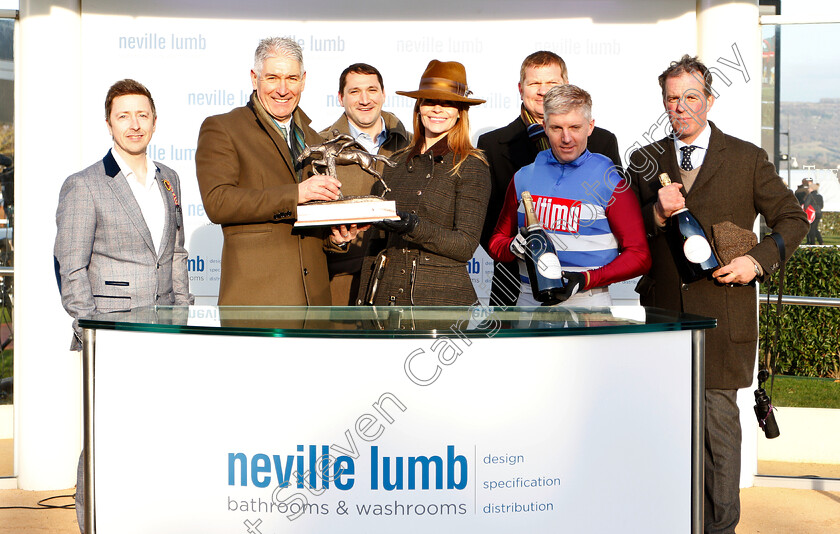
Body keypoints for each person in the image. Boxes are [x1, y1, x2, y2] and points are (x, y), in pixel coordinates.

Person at [628, 55, 809, 534]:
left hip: (723, 319)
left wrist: (756, 261)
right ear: (663, 103)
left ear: (709, 99)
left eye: (691, 96)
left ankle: (720, 530)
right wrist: (657, 215)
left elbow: (793, 220)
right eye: (672, 97)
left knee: (718, 435)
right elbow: (630, 234)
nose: (681, 106)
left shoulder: (746, 157)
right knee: (667, 432)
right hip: (662, 320)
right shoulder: (643, 160)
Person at [53, 78, 195, 533]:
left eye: (143, 115)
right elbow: (69, 268)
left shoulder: (169, 179)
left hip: (165, 330)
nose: (134, 125)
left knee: (157, 433)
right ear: (109, 124)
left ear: (154, 120)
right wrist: (92, 328)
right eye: (124, 116)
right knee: (102, 438)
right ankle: (91, 524)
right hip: (111, 335)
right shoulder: (84, 185)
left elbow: (175, 253)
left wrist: (184, 315)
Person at [195, 36, 359, 305]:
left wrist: (336, 238)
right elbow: (217, 202)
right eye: (272, 78)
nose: (283, 89)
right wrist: (295, 194)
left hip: (315, 305)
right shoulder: (223, 128)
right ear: (254, 78)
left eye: (292, 79)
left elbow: (311, 228)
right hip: (257, 305)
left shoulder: (315, 138)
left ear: (303, 80)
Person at [478, 50, 624, 306]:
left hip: (583, 286)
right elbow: (485, 219)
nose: (542, 91)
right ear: (520, 88)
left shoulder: (602, 141)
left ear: (566, 85)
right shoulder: (491, 144)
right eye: (534, 83)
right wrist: (520, 252)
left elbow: (617, 215)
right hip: (514, 284)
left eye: (551, 83)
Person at [356, 60, 490, 306]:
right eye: (430, 101)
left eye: (447, 103)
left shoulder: (471, 165)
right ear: (419, 108)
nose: (437, 109)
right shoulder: (395, 162)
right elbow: (374, 244)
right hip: (385, 297)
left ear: (460, 111)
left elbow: (465, 245)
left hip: (438, 301)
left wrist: (412, 225)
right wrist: (362, 302)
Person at [319, 63, 410, 304]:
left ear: (383, 94)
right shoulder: (321, 148)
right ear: (340, 98)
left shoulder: (413, 146)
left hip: (400, 280)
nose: (364, 99)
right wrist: (335, 242)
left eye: (371, 90)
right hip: (342, 280)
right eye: (354, 91)